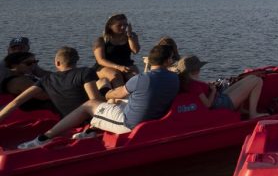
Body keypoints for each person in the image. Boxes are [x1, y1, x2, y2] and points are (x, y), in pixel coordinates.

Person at [19, 43, 180, 148]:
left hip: (129, 124)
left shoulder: (140, 79)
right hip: (151, 119)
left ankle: (44, 139)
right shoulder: (174, 78)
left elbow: (114, 93)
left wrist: (104, 88)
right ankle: (90, 132)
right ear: (167, 61)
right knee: (117, 102)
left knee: (90, 105)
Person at [0, 47, 101, 121]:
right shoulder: (19, 81)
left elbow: (49, 77)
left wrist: (63, 79)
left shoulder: (26, 76)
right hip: (43, 105)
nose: (33, 66)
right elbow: (45, 96)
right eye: (29, 63)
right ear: (14, 66)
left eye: (35, 62)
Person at [173, 55, 268, 118]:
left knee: (251, 77)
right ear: (195, 70)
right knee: (257, 81)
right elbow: (208, 104)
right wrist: (213, 91)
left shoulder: (189, 82)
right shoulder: (194, 85)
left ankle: (242, 109)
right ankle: (253, 113)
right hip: (222, 103)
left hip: (220, 98)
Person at [93, 13, 141, 87]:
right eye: (119, 25)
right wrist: (118, 67)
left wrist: (130, 36)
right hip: (105, 66)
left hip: (126, 64)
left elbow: (135, 51)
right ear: (110, 26)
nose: (123, 27)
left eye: (125, 25)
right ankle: (119, 97)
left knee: (135, 78)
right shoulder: (102, 40)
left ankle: (136, 97)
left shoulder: (131, 36)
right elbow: (100, 60)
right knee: (116, 76)